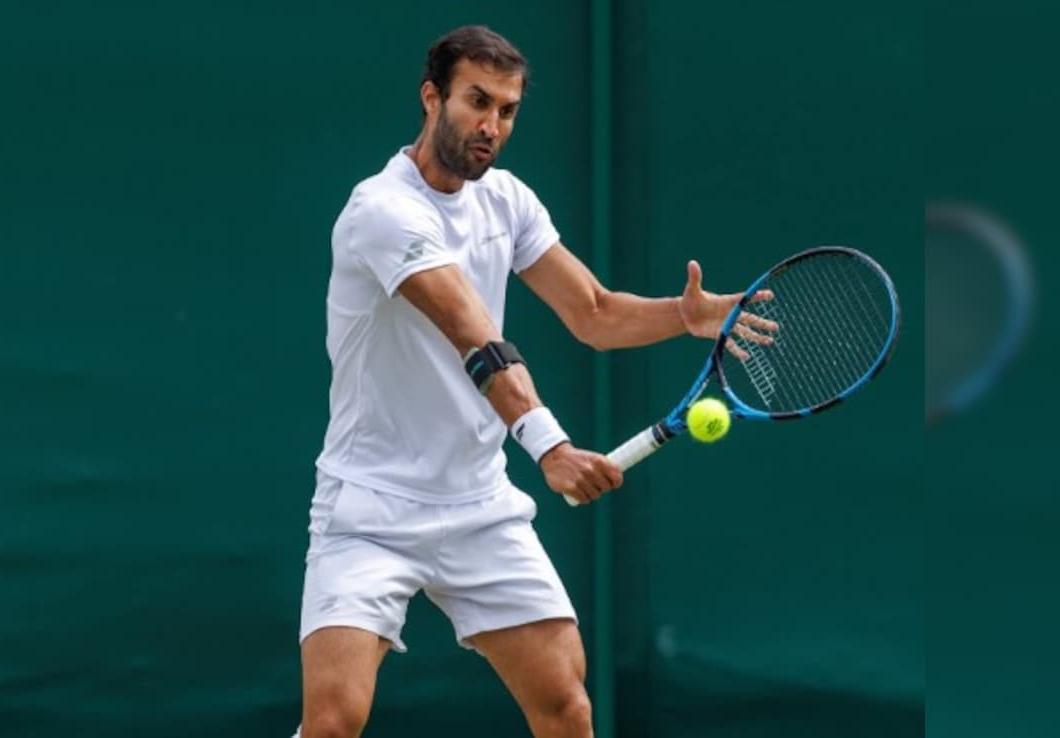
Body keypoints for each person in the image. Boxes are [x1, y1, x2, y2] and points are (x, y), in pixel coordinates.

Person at [295, 25, 775, 738]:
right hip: (370, 505)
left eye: (508, 110)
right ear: (432, 98)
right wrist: (550, 447)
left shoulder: (508, 201)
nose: (491, 126)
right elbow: (474, 333)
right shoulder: (382, 210)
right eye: (476, 102)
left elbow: (595, 313)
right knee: (335, 720)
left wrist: (685, 315)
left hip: (478, 503)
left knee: (566, 708)